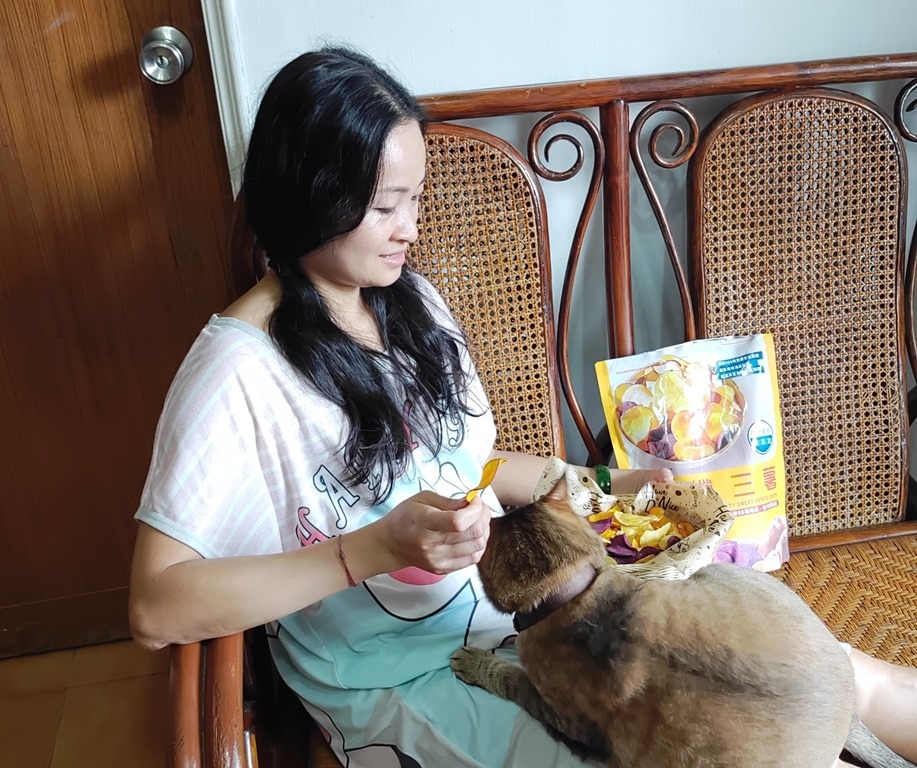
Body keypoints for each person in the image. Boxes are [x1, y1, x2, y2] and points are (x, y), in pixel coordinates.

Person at [128, 46, 917, 768]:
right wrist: (367, 551)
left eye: (416, 199)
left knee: (809, 674)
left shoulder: (408, 302)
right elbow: (156, 609)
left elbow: (470, 466)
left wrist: (606, 485)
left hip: (532, 614)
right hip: (406, 671)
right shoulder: (235, 372)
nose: (411, 230)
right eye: (385, 207)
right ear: (309, 196)